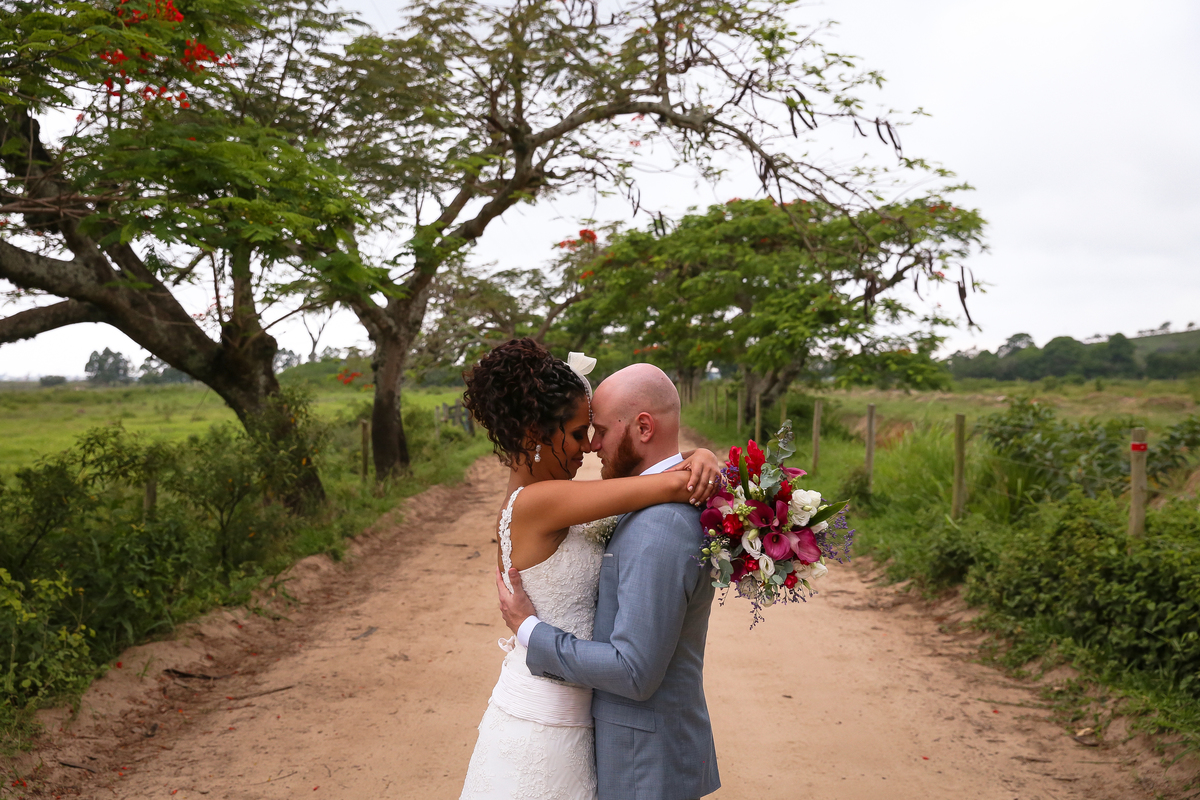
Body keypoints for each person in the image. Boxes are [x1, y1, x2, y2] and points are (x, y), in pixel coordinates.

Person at [459, 338, 721, 800]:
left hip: (580, 712)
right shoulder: (537, 503)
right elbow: (664, 487)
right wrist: (698, 464)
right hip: (544, 716)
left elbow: (650, 487)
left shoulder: (561, 501)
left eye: (592, 431)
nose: (589, 447)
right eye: (579, 433)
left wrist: (699, 457)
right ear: (532, 435)